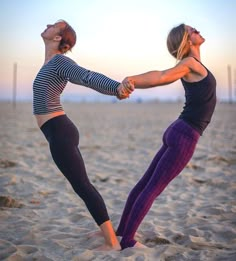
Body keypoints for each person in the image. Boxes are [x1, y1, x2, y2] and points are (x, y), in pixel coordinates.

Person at [33, 19, 133, 251]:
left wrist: (117, 88)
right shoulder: (49, 63)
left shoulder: (60, 62)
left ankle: (111, 242)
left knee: (82, 186)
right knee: (81, 185)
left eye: (54, 25)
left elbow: (86, 76)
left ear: (58, 38)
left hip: (60, 131)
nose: (48, 24)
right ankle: (105, 232)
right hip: (56, 131)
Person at [117, 23, 217, 249]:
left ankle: (122, 232)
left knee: (145, 184)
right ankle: (128, 241)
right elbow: (161, 76)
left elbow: (163, 75)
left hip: (179, 130)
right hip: (185, 135)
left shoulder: (194, 65)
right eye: (192, 30)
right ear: (186, 40)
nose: (198, 29)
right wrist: (131, 79)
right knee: (151, 188)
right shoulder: (189, 64)